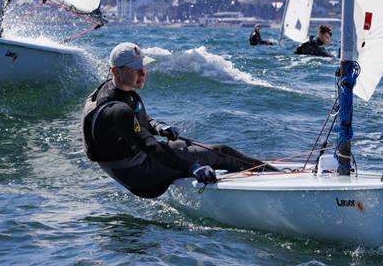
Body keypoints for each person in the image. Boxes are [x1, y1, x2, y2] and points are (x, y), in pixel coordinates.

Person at [82, 42, 277, 199]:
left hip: (133, 165)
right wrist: (193, 168)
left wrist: (158, 127)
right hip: (139, 173)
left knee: (193, 147)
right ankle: (276, 180)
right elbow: (150, 146)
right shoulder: (116, 110)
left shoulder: (113, 90)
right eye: (135, 69)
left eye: (143, 67)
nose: (142, 74)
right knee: (220, 153)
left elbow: (136, 122)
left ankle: (267, 173)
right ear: (115, 71)